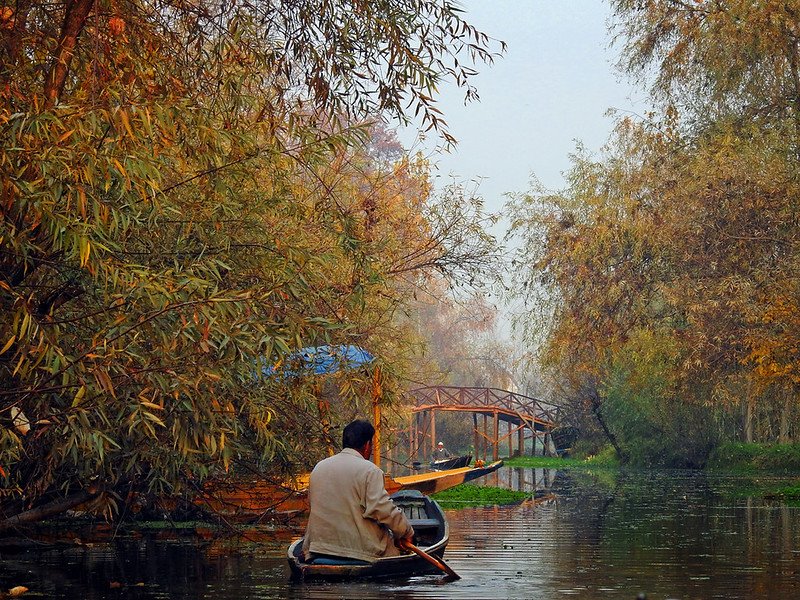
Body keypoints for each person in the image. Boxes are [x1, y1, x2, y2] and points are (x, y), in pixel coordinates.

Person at [302, 419, 415, 563]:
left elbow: (312, 504)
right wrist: (406, 531)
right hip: (359, 554)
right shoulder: (370, 471)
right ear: (367, 445)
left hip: (317, 550)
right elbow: (382, 509)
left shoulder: (319, 468)